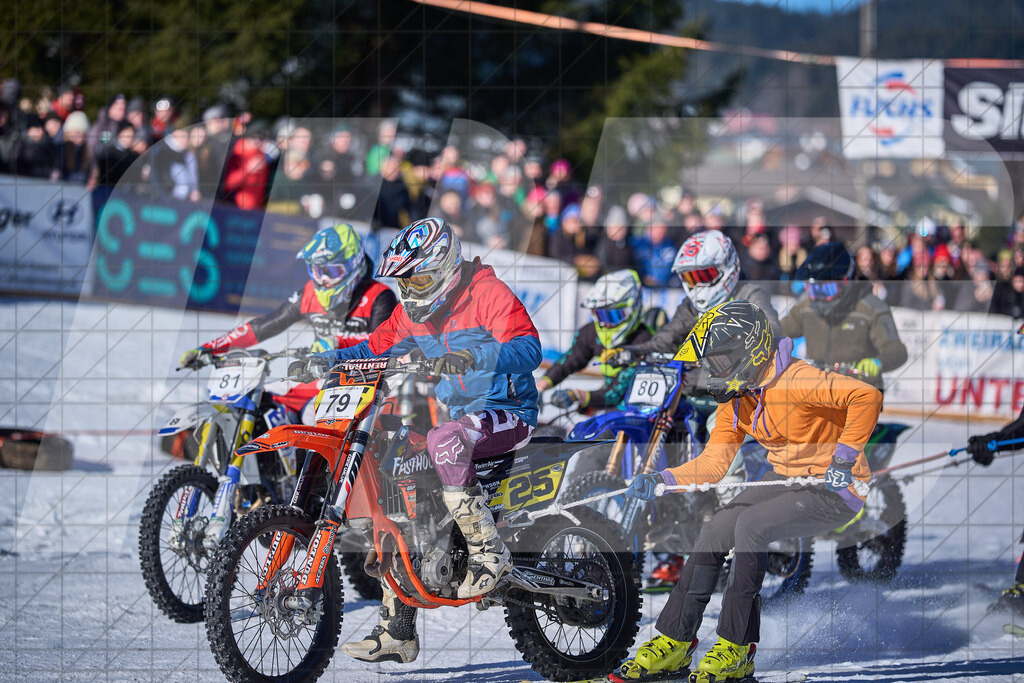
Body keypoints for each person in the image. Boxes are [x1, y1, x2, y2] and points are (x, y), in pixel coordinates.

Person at [611, 300, 881, 683]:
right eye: (709, 364)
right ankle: (675, 640)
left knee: (751, 525)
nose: (712, 372)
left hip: (835, 490)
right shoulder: (739, 399)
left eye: (718, 362)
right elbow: (714, 464)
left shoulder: (798, 380)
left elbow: (866, 397)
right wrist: (662, 480)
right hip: (785, 479)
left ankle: (737, 648)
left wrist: (843, 458)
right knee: (715, 529)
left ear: (748, 351)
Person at [317, 217, 541, 664]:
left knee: (444, 440)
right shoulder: (408, 313)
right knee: (390, 469)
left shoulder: (486, 292)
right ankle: (397, 629)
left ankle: (487, 553)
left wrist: (473, 353)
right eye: (404, 280)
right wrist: (325, 359)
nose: (410, 289)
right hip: (459, 422)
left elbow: (529, 347)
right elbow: (373, 348)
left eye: (418, 277)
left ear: (446, 267)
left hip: (509, 414)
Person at [607, 230, 782, 591]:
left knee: (724, 453)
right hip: (691, 393)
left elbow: (770, 330)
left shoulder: (751, 295)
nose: (696, 286)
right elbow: (667, 338)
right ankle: (674, 543)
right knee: (665, 435)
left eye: (702, 276)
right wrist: (634, 352)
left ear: (726, 268)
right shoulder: (692, 307)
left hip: (738, 395)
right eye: (689, 278)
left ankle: (738, 545)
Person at [178, 224, 397, 414]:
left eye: (332, 271)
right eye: (317, 271)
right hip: (318, 379)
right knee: (255, 403)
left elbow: (384, 348)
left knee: (310, 418)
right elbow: (265, 326)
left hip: (362, 386)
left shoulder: (379, 295)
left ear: (355, 265)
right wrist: (210, 348)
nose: (324, 280)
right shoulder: (310, 292)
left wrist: (334, 343)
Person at [781, 243, 908, 393]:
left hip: (859, 392)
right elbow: (778, 330)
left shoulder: (871, 308)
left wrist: (879, 362)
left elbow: (896, 350)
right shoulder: (806, 306)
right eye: (814, 290)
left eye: (827, 289)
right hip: (819, 393)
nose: (820, 298)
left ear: (846, 282)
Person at [536, 270, 659, 414]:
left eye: (612, 316)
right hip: (611, 406)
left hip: (640, 411)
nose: (605, 324)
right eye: (600, 315)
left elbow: (615, 393)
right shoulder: (591, 332)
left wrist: (577, 395)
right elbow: (570, 360)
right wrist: (541, 386)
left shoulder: (645, 341)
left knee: (601, 434)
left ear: (631, 309)